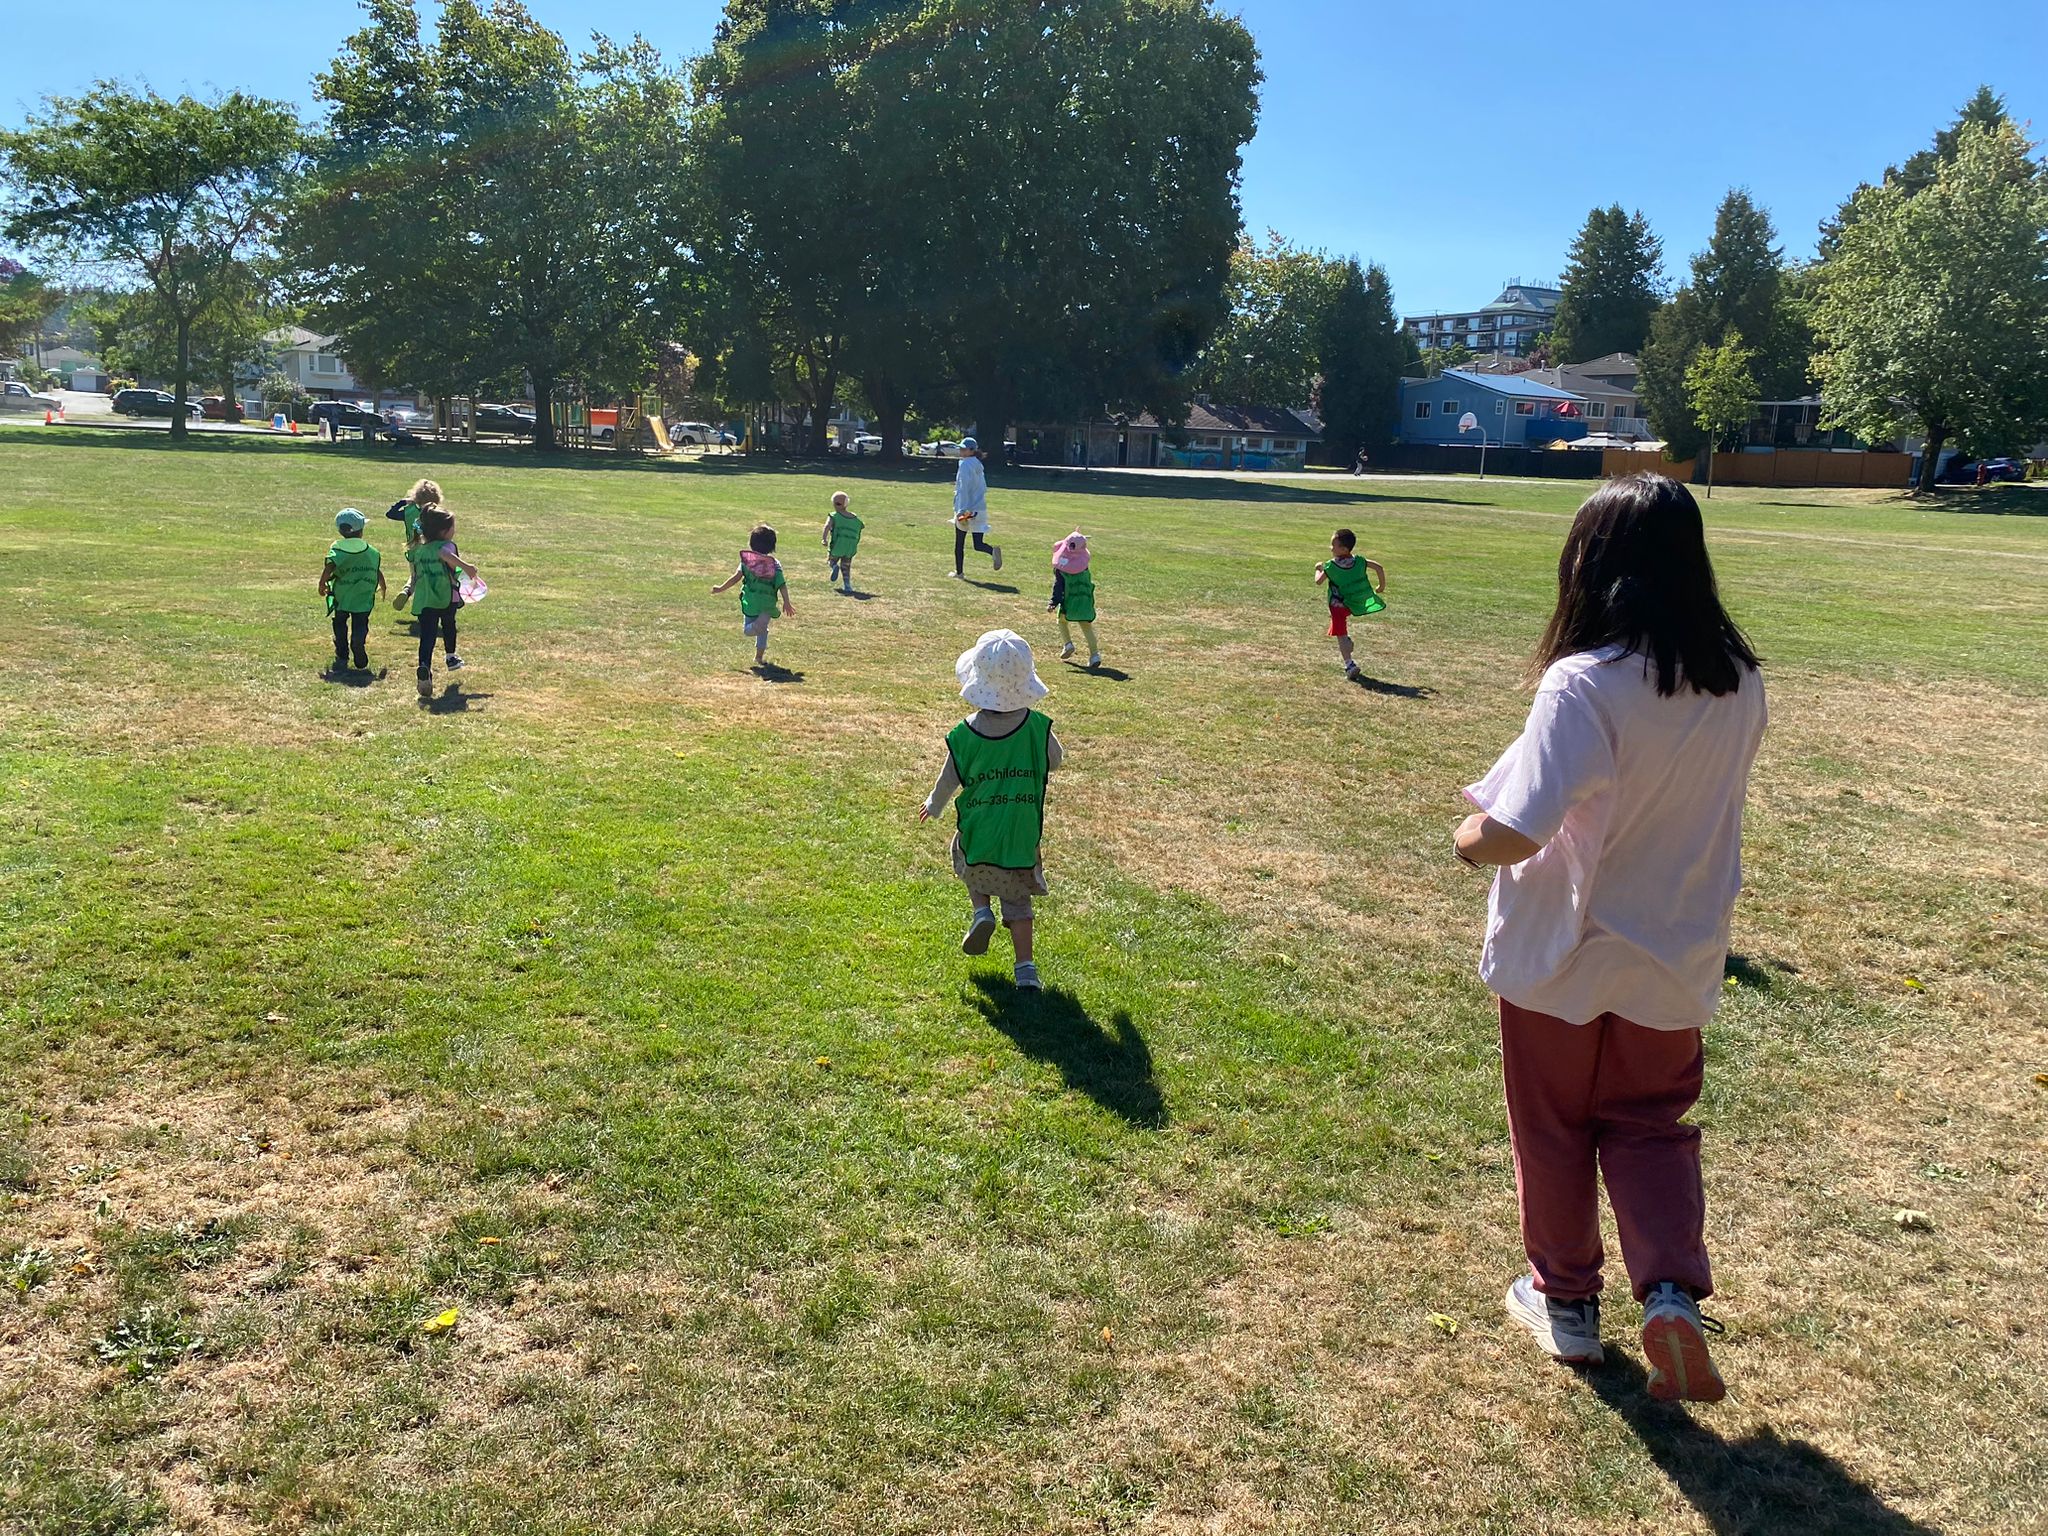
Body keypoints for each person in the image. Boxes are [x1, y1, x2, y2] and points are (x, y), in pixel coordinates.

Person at [1453, 473, 1766, 1405]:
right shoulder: (1737, 680)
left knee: (1551, 1128)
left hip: (1565, 951)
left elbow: (1518, 828)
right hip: (1676, 951)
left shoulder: (1583, 683)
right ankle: (1669, 1290)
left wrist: (1465, 841)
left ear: (1592, 567)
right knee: (1650, 1126)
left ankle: (1568, 1303)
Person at [918, 629, 1062, 992]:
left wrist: (933, 805)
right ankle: (1025, 969)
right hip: (1020, 833)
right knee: (1017, 901)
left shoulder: (964, 734)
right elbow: (1055, 760)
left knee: (967, 858)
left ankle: (981, 910)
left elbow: (948, 778)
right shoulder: (1037, 728)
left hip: (980, 828)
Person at [406, 507, 478, 697]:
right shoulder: (447, 546)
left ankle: (424, 667)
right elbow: (446, 556)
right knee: (448, 625)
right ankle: (451, 657)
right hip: (446, 597)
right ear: (443, 531)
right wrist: (466, 567)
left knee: (427, 637)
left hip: (424, 600)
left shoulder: (419, 550)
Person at [711, 523, 794, 667]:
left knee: (748, 630)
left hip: (751, 600)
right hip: (767, 603)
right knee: (763, 630)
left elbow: (735, 578)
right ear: (772, 546)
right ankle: (759, 657)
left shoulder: (747, 562)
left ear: (751, 544)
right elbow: (781, 584)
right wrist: (786, 601)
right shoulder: (775, 563)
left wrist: (720, 588)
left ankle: (758, 631)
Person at [319, 507, 385, 673]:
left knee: (340, 621)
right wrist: (383, 585)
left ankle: (342, 651)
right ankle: (357, 642)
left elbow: (329, 567)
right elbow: (376, 569)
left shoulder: (338, 548)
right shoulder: (371, 551)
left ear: (340, 530)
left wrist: (322, 583)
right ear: (361, 531)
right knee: (360, 621)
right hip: (363, 596)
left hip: (343, 595)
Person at [1313, 528, 1386, 678]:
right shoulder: (1358, 561)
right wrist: (1381, 586)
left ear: (1344, 549)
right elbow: (1379, 567)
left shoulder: (1331, 566)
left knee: (1341, 634)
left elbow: (1318, 581)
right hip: (1352, 604)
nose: (1331, 548)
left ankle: (1349, 665)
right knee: (1342, 633)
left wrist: (1318, 568)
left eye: (1334, 545)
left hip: (1337, 605)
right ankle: (1348, 644)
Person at [386, 477, 443, 612]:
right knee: (433, 576)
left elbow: (390, 514)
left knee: (414, 577)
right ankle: (448, 596)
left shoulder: (409, 511)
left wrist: (403, 502)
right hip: (433, 551)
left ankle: (406, 592)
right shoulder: (436, 513)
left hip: (414, 551)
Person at [950, 438, 1002, 578]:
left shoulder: (965, 465)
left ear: (972, 450)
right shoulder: (978, 464)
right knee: (978, 544)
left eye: (964, 449)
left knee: (959, 543)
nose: (961, 451)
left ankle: (959, 573)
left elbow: (963, 489)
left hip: (966, 510)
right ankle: (992, 551)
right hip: (980, 508)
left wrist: (961, 511)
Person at [1047, 531, 1100, 667]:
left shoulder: (1061, 569)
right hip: (1084, 601)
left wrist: (1053, 602)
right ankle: (1095, 655)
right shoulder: (1084, 567)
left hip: (1068, 603)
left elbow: (1058, 586)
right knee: (1086, 626)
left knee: (1061, 621)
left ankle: (1068, 644)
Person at [822, 490, 863, 594]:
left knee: (831, 560)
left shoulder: (834, 515)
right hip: (850, 547)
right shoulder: (854, 517)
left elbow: (827, 526)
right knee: (846, 566)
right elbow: (861, 526)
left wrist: (824, 539)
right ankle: (847, 585)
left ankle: (834, 566)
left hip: (837, 545)